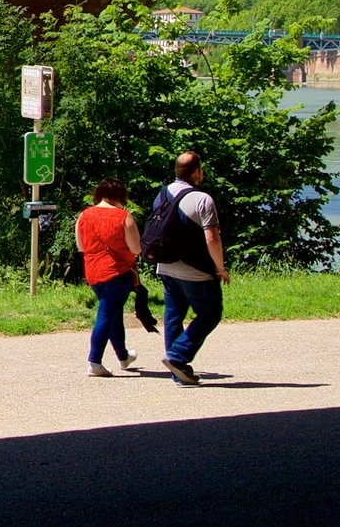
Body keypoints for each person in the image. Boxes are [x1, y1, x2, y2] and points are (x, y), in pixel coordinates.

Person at [149, 151, 228, 386]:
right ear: (196, 172)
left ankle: (178, 373)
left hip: (166, 267)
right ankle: (177, 357)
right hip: (195, 271)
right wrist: (220, 268)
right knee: (210, 313)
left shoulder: (162, 195)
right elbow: (212, 238)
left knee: (173, 316)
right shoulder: (202, 199)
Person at [76, 178, 142, 376]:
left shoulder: (84, 216)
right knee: (105, 315)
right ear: (120, 196)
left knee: (113, 313)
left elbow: (81, 246)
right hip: (117, 272)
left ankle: (123, 356)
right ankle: (94, 361)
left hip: (93, 272)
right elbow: (136, 248)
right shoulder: (124, 217)